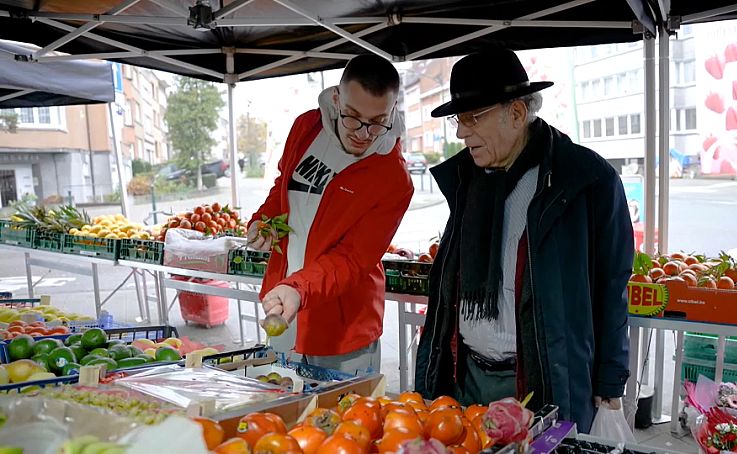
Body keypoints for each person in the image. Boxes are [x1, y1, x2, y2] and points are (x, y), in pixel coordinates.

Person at [414, 48, 633, 433]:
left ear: (516, 113)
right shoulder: (466, 179)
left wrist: (610, 381)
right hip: (465, 377)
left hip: (539, 380)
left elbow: (612, 284)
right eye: (459, 121)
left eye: (473, 118)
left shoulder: (586, 179)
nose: (463, 132)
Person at [247, 54, 414, 375]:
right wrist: (263, 221)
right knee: (284, 415)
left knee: (343, 421)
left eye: (378, 121)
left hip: (342, 327)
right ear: (336, 100)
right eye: (352, 117)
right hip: (284, 304)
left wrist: (299, 289)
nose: (364, 134)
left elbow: (352, 260)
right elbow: (284, 185)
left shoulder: (393, 178)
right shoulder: (306, 128)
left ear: (392, 111)